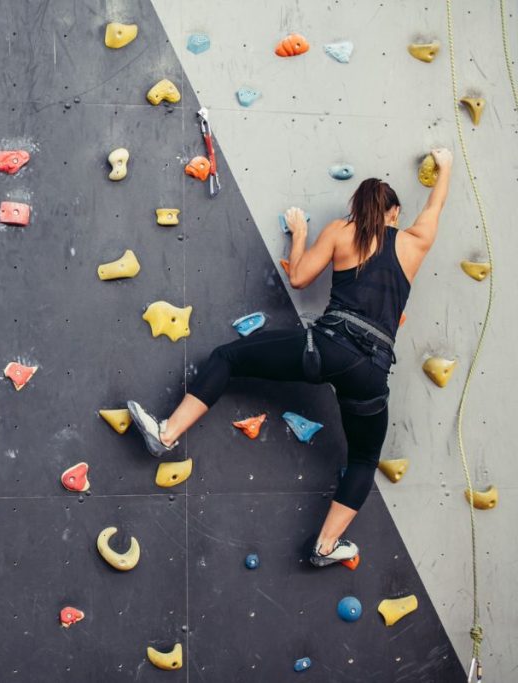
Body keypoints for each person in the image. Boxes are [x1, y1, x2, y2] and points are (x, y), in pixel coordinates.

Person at [127, 148, 454, 567]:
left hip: (328, 348)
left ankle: (167, 433)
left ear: (358, 209)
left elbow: (299, 277)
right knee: (364, 458)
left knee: (228, 357)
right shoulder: (413, 242)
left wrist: (299, 233)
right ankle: (325, 547)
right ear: (395, 213)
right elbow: (437, 203)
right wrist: (444, 165)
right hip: (372, 371)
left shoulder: (342, 231)